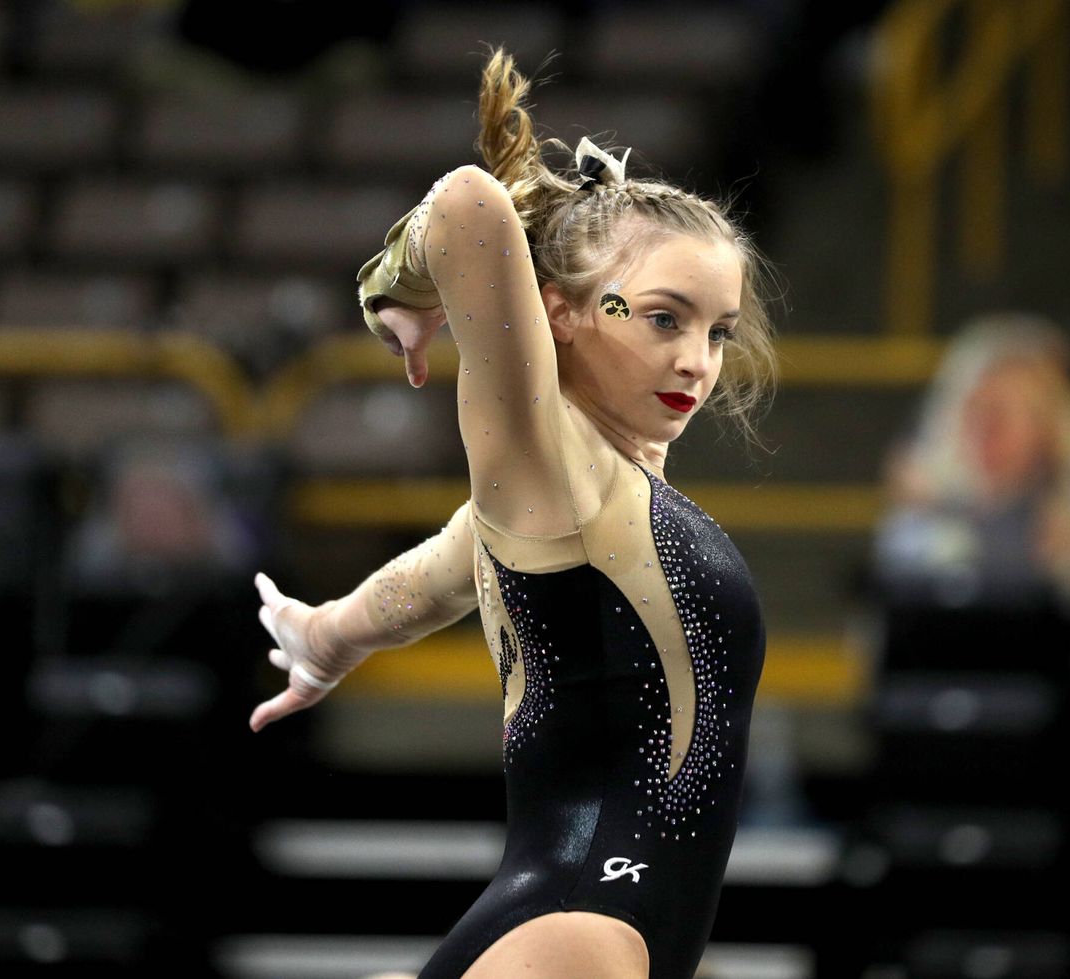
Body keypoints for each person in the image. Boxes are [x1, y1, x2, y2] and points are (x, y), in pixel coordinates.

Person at [247, 49, 778, 979]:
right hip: (578, 930)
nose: (698, 359)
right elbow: (468, 204)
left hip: (572, 922)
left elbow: (432, 579)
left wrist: (326, 637)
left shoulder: (571, 505)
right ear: (561, 313)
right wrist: (401, 290)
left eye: (718, 331)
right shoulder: (560, 475)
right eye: (664, 318)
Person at [875, 314, 1070, 607]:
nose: (985, 430)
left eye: (1005, 412)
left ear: (1052, 428)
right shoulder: (922, 528)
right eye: (975, 410)